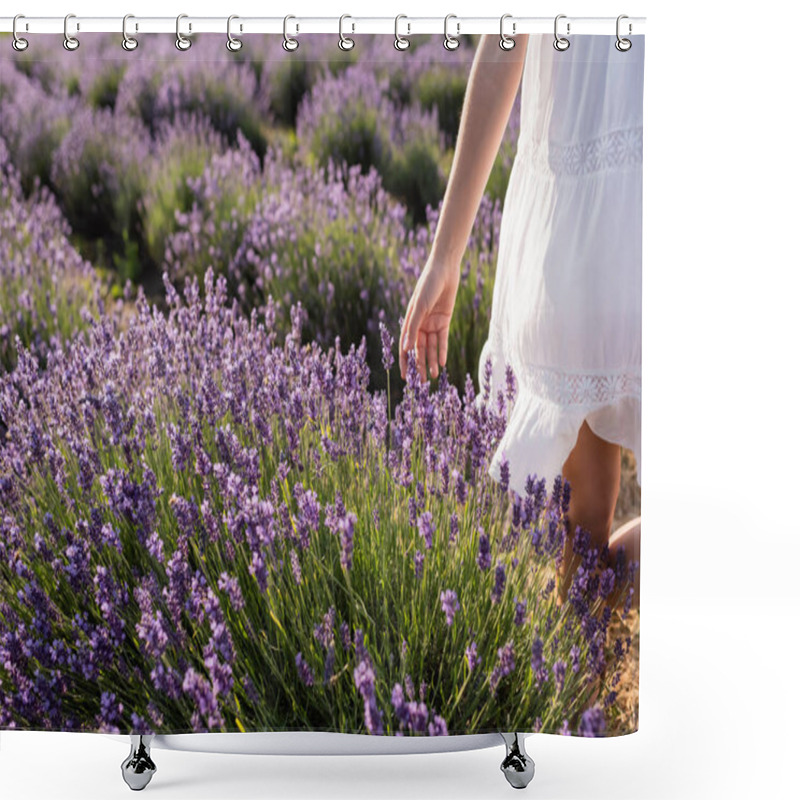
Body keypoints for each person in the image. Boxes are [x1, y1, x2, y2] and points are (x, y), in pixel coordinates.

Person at [398, 32, 643, 606]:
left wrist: (446, 254)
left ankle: (587, 622)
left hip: (577, 234)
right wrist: (443, 257)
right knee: (588, 530)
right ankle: (586, 629)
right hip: (598, 216)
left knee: (587, 532)